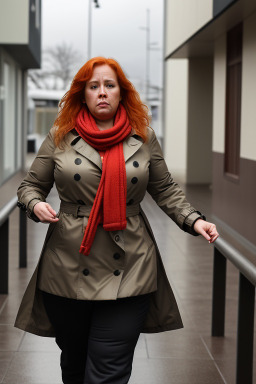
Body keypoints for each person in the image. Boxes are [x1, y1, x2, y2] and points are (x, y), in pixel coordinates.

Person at [15, 57, 219, 384]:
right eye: (93, 86)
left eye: (110, 85)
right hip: (68, 263)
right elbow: (29, 186)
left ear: (122, 93)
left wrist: (194, 220)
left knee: (109, 370)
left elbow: (165, 188)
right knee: (75, 363)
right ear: (82, 94)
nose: (102, 93)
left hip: (130, 264)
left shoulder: (143, 137)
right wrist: (36, 204)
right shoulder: (60, 135)